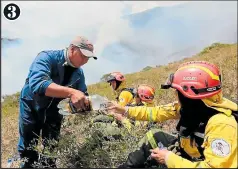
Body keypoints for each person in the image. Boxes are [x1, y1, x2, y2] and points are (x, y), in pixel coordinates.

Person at [106, 61, 237, 168]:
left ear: (189, 93)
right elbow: (155, 112)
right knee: (154, 135)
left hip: (196, 160)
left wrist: (169, 159)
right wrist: (124, 110)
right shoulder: (194, 107)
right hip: (188, 152)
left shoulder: (222, 124)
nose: (176, 95)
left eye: (178, 91)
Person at [18, 36, 97, 168]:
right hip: (32, 107)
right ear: (72, 49)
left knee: (51, 147)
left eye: (88, 58)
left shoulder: (79, 73)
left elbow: (82, 93)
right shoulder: (46, 57)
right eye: (83, 56)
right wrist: (71, 92)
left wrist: (90, 104)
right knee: (28, 146)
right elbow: (38, 84)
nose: (85, 61)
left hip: (54, 112)